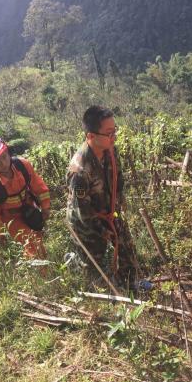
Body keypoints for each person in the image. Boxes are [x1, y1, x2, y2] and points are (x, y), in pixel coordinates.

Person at [66, 105, 140, 289]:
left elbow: (118, 177)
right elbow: (83, 214)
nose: (114, 136)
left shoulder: (110, 150)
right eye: (109, 133)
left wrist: (118, 205)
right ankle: (75, 263)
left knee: (127, 248)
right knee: (94, 270)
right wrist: (103, 231)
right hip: (87, 223)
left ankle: (131, 284)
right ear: (91, 136)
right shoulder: (80, 171)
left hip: (109, 211)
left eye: (114, 131)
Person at [0, 136, 50, 259]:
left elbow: (39, 188)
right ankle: (42, 274)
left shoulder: (23, 165)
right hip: (10, 218)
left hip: (29, 208)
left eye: (4, 157)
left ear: (7, 151)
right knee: (32, 243)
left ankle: (36, 265)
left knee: (39, 239)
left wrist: (45, 207)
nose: (3, 163)